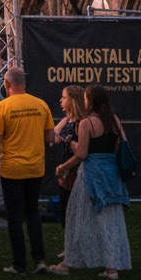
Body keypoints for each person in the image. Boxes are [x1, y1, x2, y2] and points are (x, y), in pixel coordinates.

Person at [51, 85, 131, 279]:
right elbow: (123, 144)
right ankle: (113, 266)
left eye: (86, 98)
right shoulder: (114, 120)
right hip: (112, 174)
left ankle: (68, 262)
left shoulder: (87, 123)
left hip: (91, 175)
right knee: (110, 219)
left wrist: (64, 163)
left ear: (91, 101)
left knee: (76, 216)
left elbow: (82, 154)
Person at [0, 66, 54, 275]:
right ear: (24, 83)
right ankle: (40, 259)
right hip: (35, 167)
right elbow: (50, 137)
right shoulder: (41, 104)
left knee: (15, 217)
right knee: (32, 212)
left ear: (7, 84)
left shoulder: (3, 107)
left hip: (12, 169)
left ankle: (19, 264)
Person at [53, 84, 86, 236]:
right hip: (66, 173)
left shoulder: (81, 123)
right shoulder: (69, 121)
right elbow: (53, 138)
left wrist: (65, 167)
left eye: (64, 97)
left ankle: (73, 249)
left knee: (74, 212)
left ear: (73, 100)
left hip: (75, 172)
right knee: (65, 210)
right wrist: (66, 118)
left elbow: (81, 152)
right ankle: (69, 247)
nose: (60, 100)